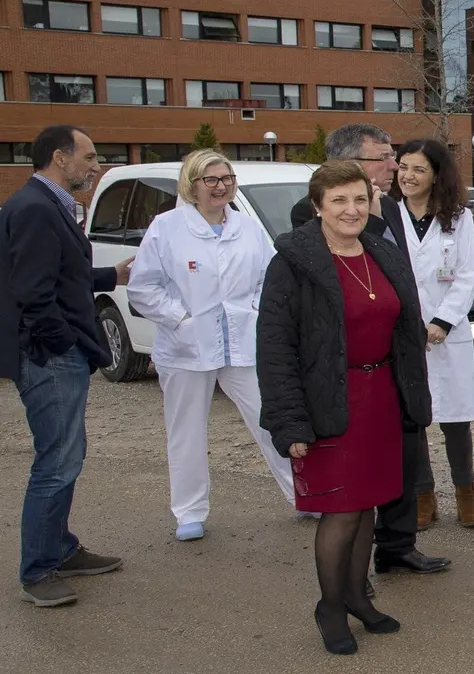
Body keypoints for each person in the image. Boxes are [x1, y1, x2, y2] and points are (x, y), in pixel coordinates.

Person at [258, 160, 432, 655]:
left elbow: (405, 330)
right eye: (338, 200)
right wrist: (289, 421)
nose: (351, 210)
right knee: (341, 508)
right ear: (317, 206)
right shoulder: (293, 262)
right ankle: (330, 606)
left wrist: (414, 395)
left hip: (382, 398)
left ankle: (357, 595)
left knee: (368, 501)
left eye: (359, 199)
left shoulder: (381, 251)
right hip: (328, 400)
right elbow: (274, 347)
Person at [291, 124, 451, 580]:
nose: (393, 165)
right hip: (347, 370)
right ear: (349, 164)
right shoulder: (310, 213)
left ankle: (398, 546)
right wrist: (372, 217)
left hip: (396, 358)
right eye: (382, 157)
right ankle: (348, 585)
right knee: (356, 479)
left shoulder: (394, 205)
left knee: (404, 457)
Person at [126, 149, 295, 541]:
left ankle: (303, 495)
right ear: (192, 185)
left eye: (227, 179)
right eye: (211, 180)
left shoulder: (247, 228)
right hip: (186, 347)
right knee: (186, 432)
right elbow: (142, 288)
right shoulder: (166, 228)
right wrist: (180, 318)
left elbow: (270, 278)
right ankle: (189, 512)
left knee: (272, 419)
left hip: (242, 342)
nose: (221, 187)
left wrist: (253, 310)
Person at [0, 125, 132, 607]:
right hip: (48, 357)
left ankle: (60, 547)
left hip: (54, 353)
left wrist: (110, 275)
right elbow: (33, 293)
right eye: (90, 157)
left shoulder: (44, 204)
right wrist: (62, 345)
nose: (96, 166)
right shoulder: (35, 208)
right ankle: (38, 570)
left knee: (66, 456)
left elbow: (59, 273)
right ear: (60, 157)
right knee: (57, 462)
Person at [393, 138, 474, 528]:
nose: (408, 176)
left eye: (419, 169)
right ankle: (422, 495)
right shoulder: (388, 215)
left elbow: (466, 274)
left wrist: (443, 321)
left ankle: (466, 491)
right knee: (412, 419)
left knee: (455, 418)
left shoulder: (458, 218)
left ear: (436, 175)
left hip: (447, 332)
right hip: (402, 330)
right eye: (403, 167)